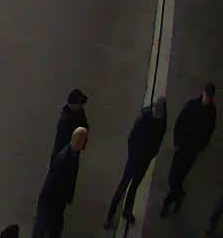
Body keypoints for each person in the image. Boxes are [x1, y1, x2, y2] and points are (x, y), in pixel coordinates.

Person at [106, 97, 168, 228]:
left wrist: (152, 155)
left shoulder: (162, 119)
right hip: (135, 159)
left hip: (145, 160)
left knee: (134, 186)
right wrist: (134, 157)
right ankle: (110, 216)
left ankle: (127, 211)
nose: (157, 117)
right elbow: (131, 139)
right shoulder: (144, 118)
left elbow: (159, 139)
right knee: (123, 186)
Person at [163, 83, 217, 217]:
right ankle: (178, 195)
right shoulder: (192, 105)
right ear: (203, 92)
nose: (207, 98)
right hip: (182, 146)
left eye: (209, 96)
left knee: (180, 176)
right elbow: (180, 121)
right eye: (206, 94)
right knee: (172, 178)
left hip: (192, 150)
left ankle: (168, 202)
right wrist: (176, 141)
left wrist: (201, 147)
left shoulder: (211, 112)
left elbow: (209, 131)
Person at [35, 127, 88, 238]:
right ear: (78, 141)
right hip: (51, 203)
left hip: (55, 203)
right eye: (84, 139)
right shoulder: (64, 158)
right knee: (45, 229)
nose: (86, 142)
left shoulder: (74, 153)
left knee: (49, 229)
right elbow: (53, 183)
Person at [54, 89, 91, 162]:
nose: (81, 106)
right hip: (65, 153)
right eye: (80, 104)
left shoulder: (80, 113)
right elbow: (61, 142)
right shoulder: (65, 119)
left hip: (72, 152)